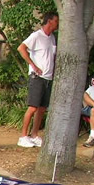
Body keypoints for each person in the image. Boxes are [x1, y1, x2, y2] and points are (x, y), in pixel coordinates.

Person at [17, 11, 59, 148]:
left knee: (42, 108)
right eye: (56, 21)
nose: (57, 24)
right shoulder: (36, 36)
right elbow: (21, 48)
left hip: (48, 77)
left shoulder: (52, 38)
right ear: (49, 21)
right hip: (37, 77)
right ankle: (23, 136)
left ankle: (34, 135)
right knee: (33, 107)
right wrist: (33, 65)